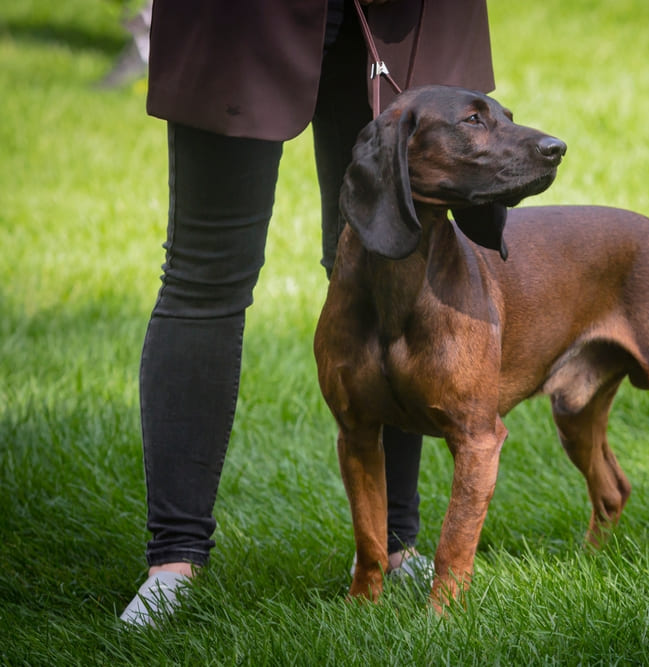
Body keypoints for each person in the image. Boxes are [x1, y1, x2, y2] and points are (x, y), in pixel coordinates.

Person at [120, 0, 495, 626]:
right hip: (242, 15)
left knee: (393, 256)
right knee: (205, 273)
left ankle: (396, 547)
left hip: (405, 12)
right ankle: (173, 565)